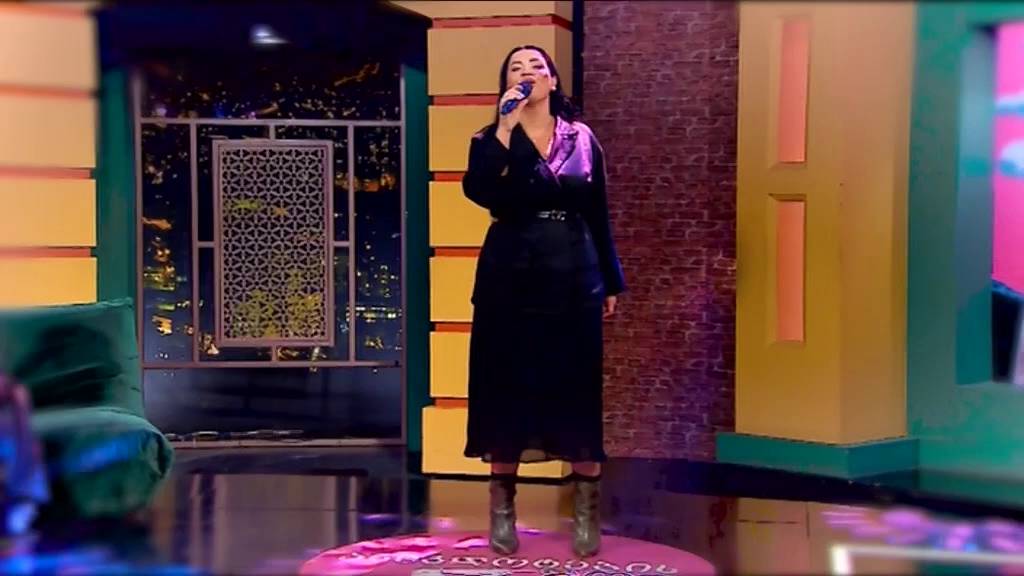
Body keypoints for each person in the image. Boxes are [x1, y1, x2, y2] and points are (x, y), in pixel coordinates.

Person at [461, 44, 626, 558]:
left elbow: (598, 210)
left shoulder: (582, 139)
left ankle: (586, 514)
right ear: (506, 84)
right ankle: (503, 512)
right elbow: (480, 191)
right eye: (517, 68)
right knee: (505, 388)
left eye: (537, 66)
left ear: (553, 80)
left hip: (573, 271)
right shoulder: (490, 138)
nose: (528, 73)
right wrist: (505, 127)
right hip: (510, 274)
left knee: (576, 389)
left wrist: (611, 280)